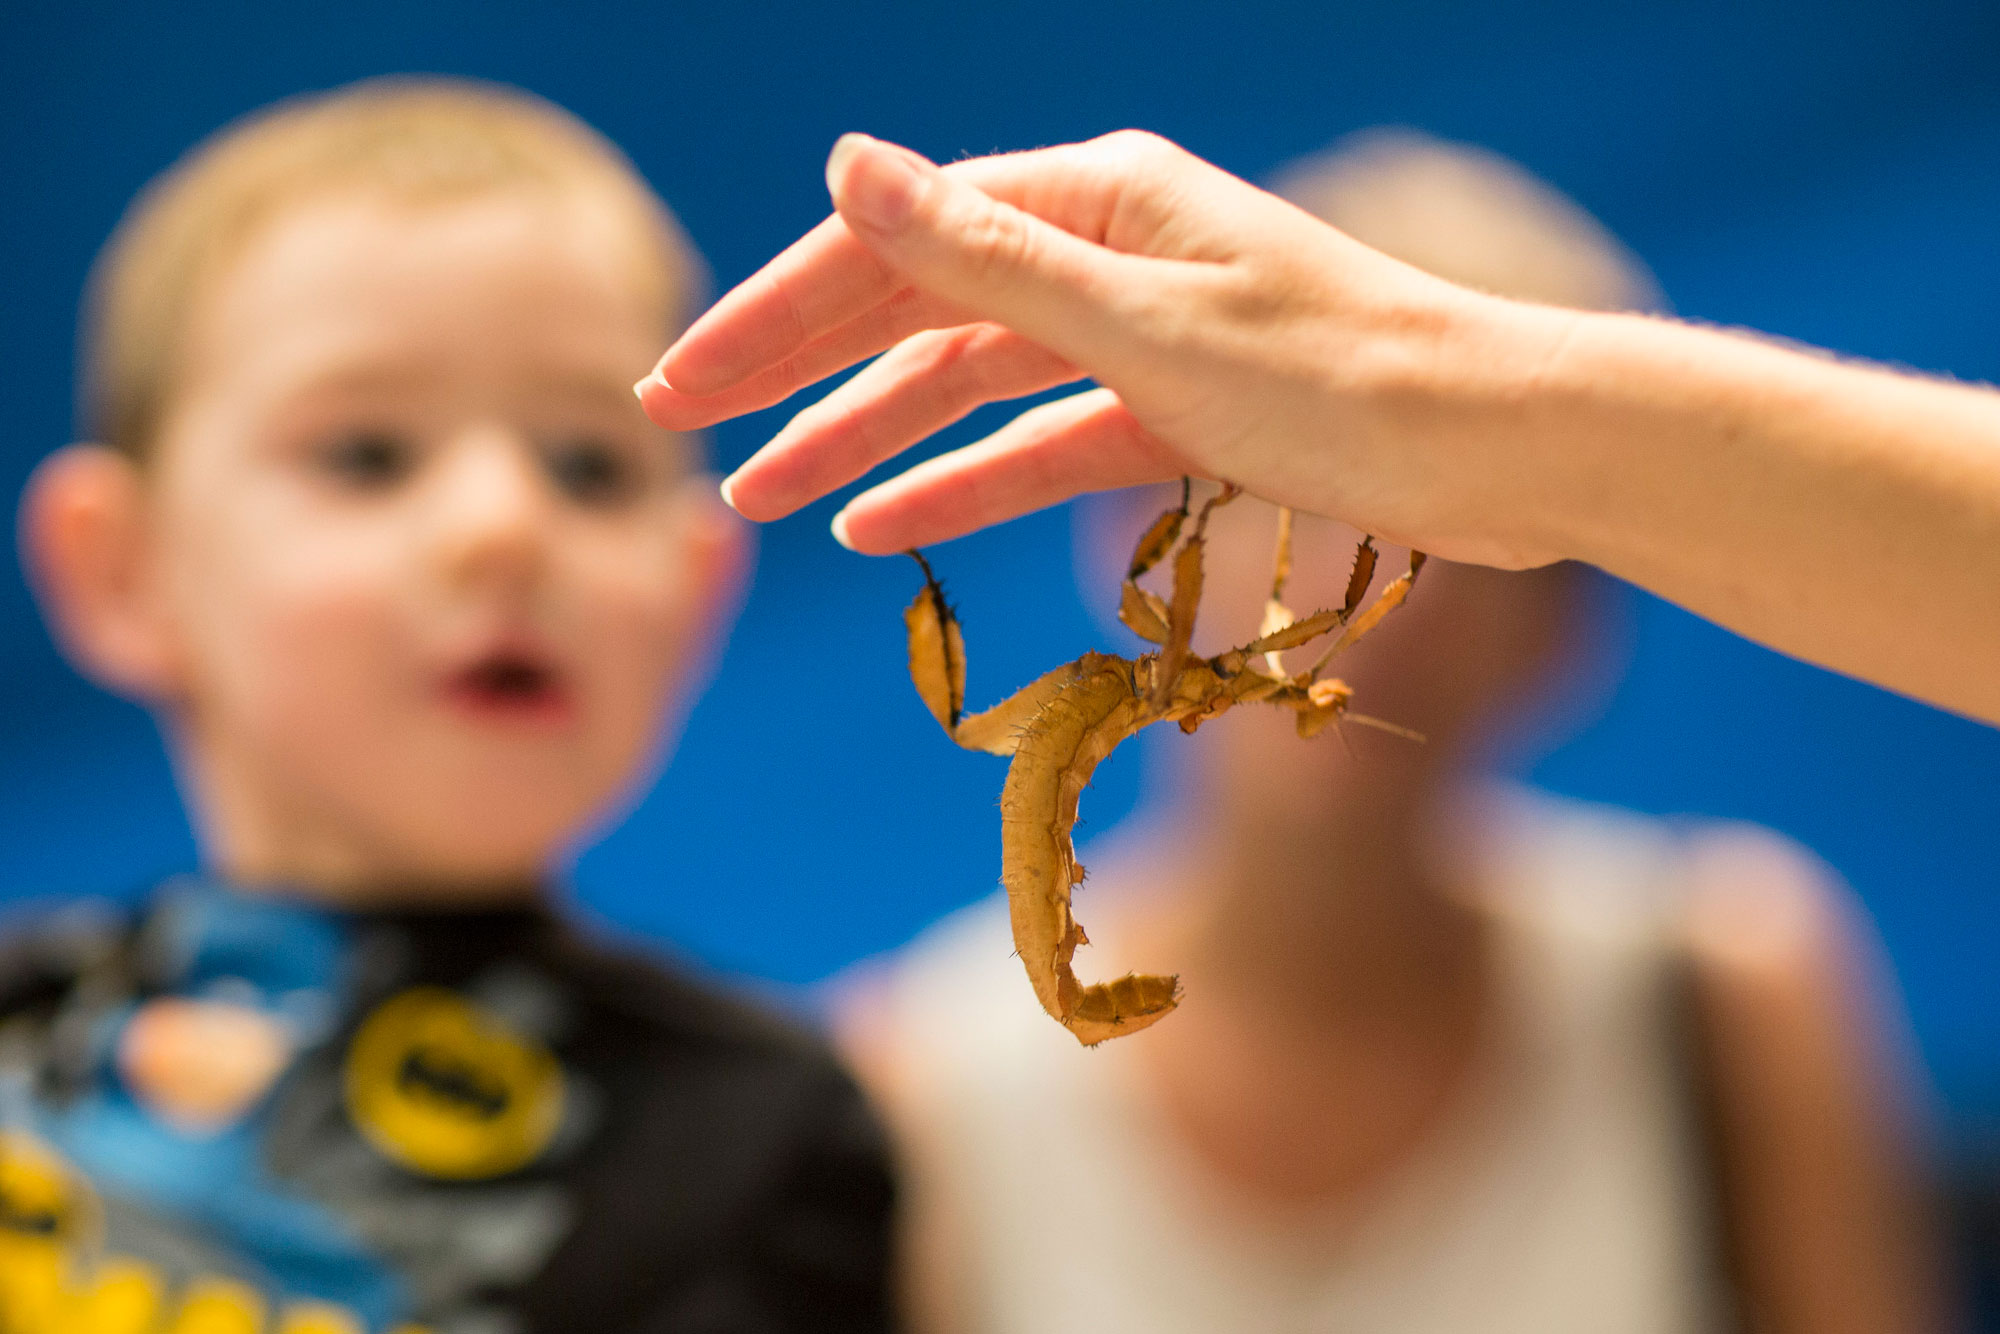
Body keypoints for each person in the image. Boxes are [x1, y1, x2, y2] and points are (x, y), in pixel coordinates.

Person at [829, 132, 1948, 1334]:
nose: (1363, 600)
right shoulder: (919, 1091)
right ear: (1132, 532)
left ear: (1571, 627)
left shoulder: (1718, 997)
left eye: (1472, 532)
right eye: (1295, 489)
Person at [7, 80, 894, 1333]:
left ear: (695, 592)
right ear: (122, 573)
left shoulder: (752, 1132)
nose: (502, 526)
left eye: (588, 465)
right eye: (368, 454)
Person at [634, 130, 2000, 728]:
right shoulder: (927, 1067)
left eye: (1442, 551)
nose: (1353, 603)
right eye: (1266, 501)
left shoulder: (1724, 983)